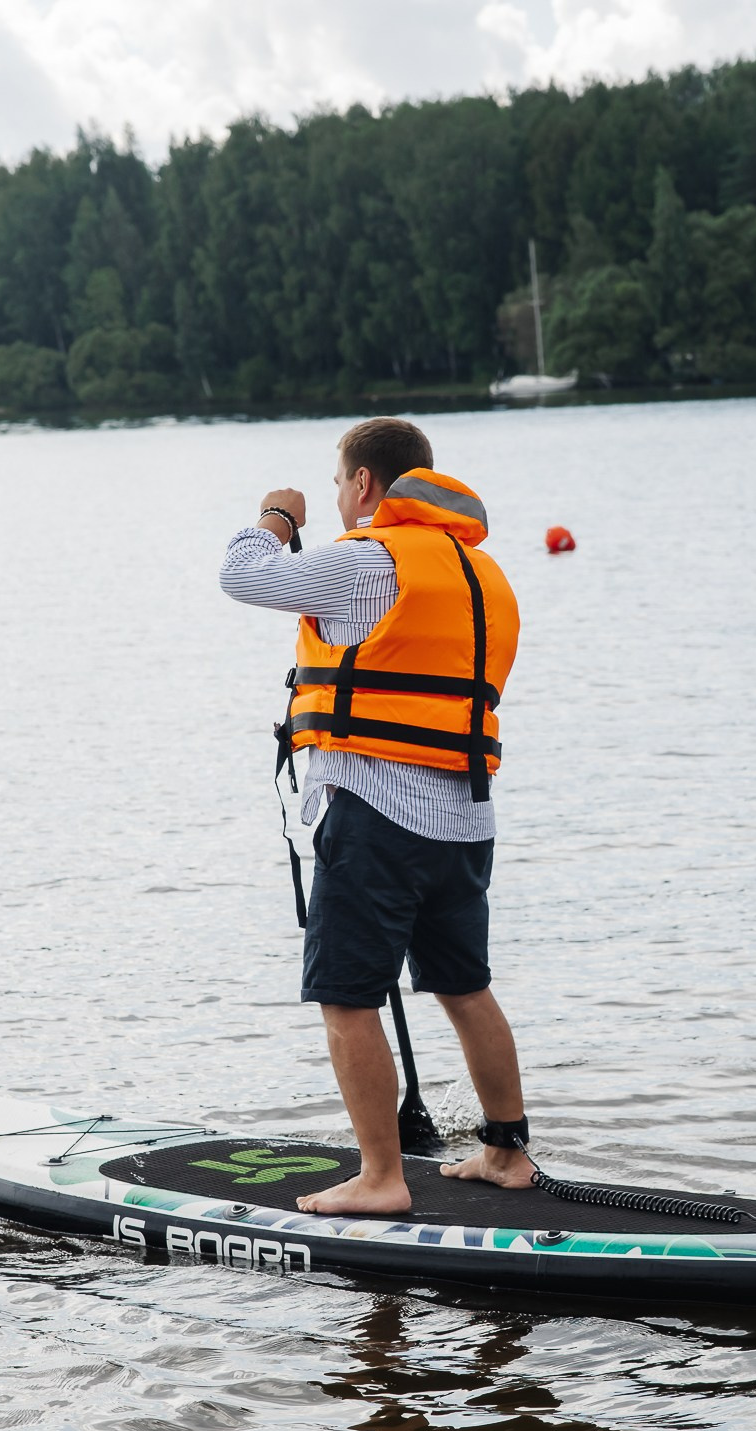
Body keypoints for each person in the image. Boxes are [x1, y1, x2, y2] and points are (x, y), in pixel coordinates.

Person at [221, 418, 534, 1215]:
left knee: (349, 1000)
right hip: (464, 819)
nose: (334, 497)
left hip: (374, 817)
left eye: (336, 484)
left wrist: (278, 519)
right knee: (466, 987)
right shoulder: (483, 572)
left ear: (364, 485)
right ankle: (506, 1152)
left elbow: (243, 575)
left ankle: (381, 1178)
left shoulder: (369, 559)